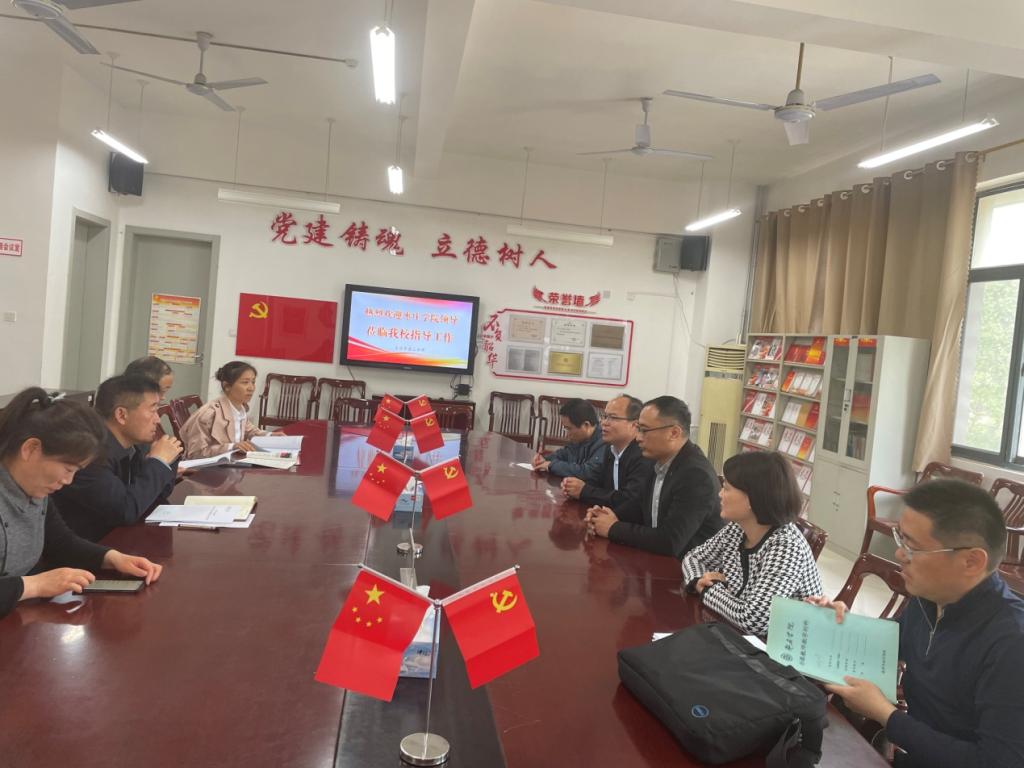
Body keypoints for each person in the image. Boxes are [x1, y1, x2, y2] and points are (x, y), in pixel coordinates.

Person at [808, 479, 1024, 768]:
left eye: (913, 546)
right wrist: (838, 625)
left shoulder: (1011, 643)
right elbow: (888, 645)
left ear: (971, 562)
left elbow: (997, 762)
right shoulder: (931, 597)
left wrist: (886, 715)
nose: (899, 554)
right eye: (901, 538)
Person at [0, 388, 163, 618]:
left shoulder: (35, 490)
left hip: (20, 618)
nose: (68, 481)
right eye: (68, 469)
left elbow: (60, 542)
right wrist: (34, 585)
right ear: (31, 449)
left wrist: (112, 558)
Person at [681, 451, 822, 636]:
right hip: (737, 633)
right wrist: (699, 579)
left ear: (752, 498)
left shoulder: (787, 546)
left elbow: (753, 620)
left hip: (781, 644)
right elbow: (693, 558)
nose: (720, 494)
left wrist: (708, 590)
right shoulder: (738, 528)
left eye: (726, 488)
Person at [586, 396, 722, 558]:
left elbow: (669, 541)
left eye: (644, 430)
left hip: (689, 567)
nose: (638, 437)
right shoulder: (659, 461)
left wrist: (612, 528)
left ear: (674, 433)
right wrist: (605, 516)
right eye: (638, 429)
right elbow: (640, 506)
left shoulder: (696, 475)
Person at [53, 375, 181, 542]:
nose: (157, 419)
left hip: (119, 540)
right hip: (88, 547)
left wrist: (167, 459)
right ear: (121, 415)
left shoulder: (136, 445)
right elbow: (125, 511)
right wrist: (159, 462)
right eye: (152, 410)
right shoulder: (90, 453)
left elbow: (158, 494)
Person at [560, 394, 652, 515]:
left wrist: (584, 491)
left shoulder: (644, 455)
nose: (603, 423)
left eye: (612, 418)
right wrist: (574, 486)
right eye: (604, 416)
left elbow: (630, 501)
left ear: (634, 425)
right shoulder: (611, 448)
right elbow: (600, 483)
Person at [180, 361, 270, 459]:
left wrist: (271, 435)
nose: (251, 388)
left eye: (253, 382)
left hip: (231, 461)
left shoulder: (240, 407)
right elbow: (196, 453)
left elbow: (249, 430)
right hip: (208, 466)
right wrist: (232, 447)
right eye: (245, 382)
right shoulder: (209, 414)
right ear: (227, 386)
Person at [530, 398, 604, 478]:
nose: (566, 434)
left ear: (586, 425)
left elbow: (587, 472)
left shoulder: (604, 442)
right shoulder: (580, 439)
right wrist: (545, 459)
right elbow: (565, 453)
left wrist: (551, 465)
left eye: (569, 428)